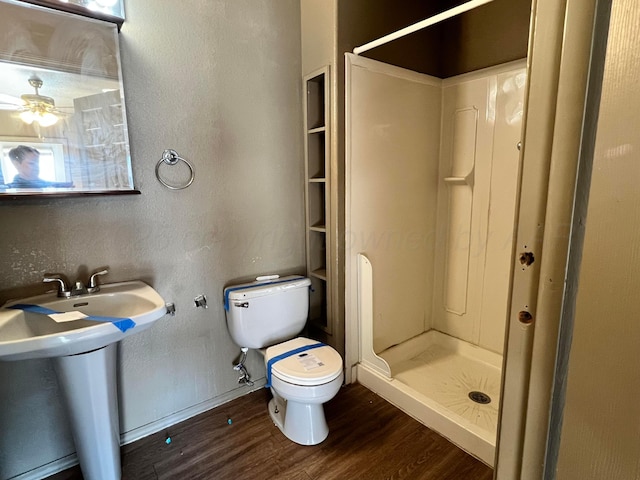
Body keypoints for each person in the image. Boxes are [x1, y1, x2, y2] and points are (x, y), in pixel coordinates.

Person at [6, 145, 73, 188]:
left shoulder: (54, 187)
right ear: (16, 164)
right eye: (31, 163)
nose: (36, 167)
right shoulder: (8, 191)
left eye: (37, 163)